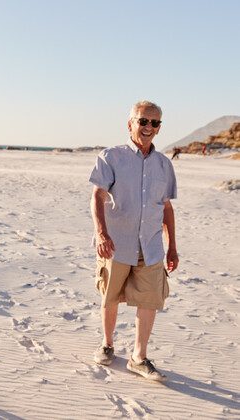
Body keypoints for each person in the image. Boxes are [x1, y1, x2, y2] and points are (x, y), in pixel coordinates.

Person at [89, 100, 178, 381]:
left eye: (155, 123)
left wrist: (172, 246)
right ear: (130, 124)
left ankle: (139, 357)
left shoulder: (164, 165)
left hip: (151, 246)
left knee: (149, 300)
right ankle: (107, 343)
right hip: (117, 243)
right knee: (110, 296)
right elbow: (97, 197)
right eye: (143, 121)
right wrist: (102, 233)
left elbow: (166, 208)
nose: (148, 127)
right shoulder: (111, 157)